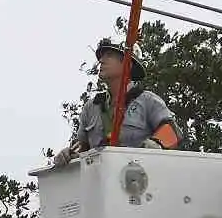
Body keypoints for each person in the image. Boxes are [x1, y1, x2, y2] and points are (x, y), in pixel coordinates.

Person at [53, 38, 181, 166]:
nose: (101, 61)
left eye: (109, 55)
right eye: (101, 56)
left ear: (127, 64)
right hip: (100, 179)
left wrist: (155, 145)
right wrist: (69, 153)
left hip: (136, 179)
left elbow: (172, 132)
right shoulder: (91, 107)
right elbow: (82, 145)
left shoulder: (147, 100)